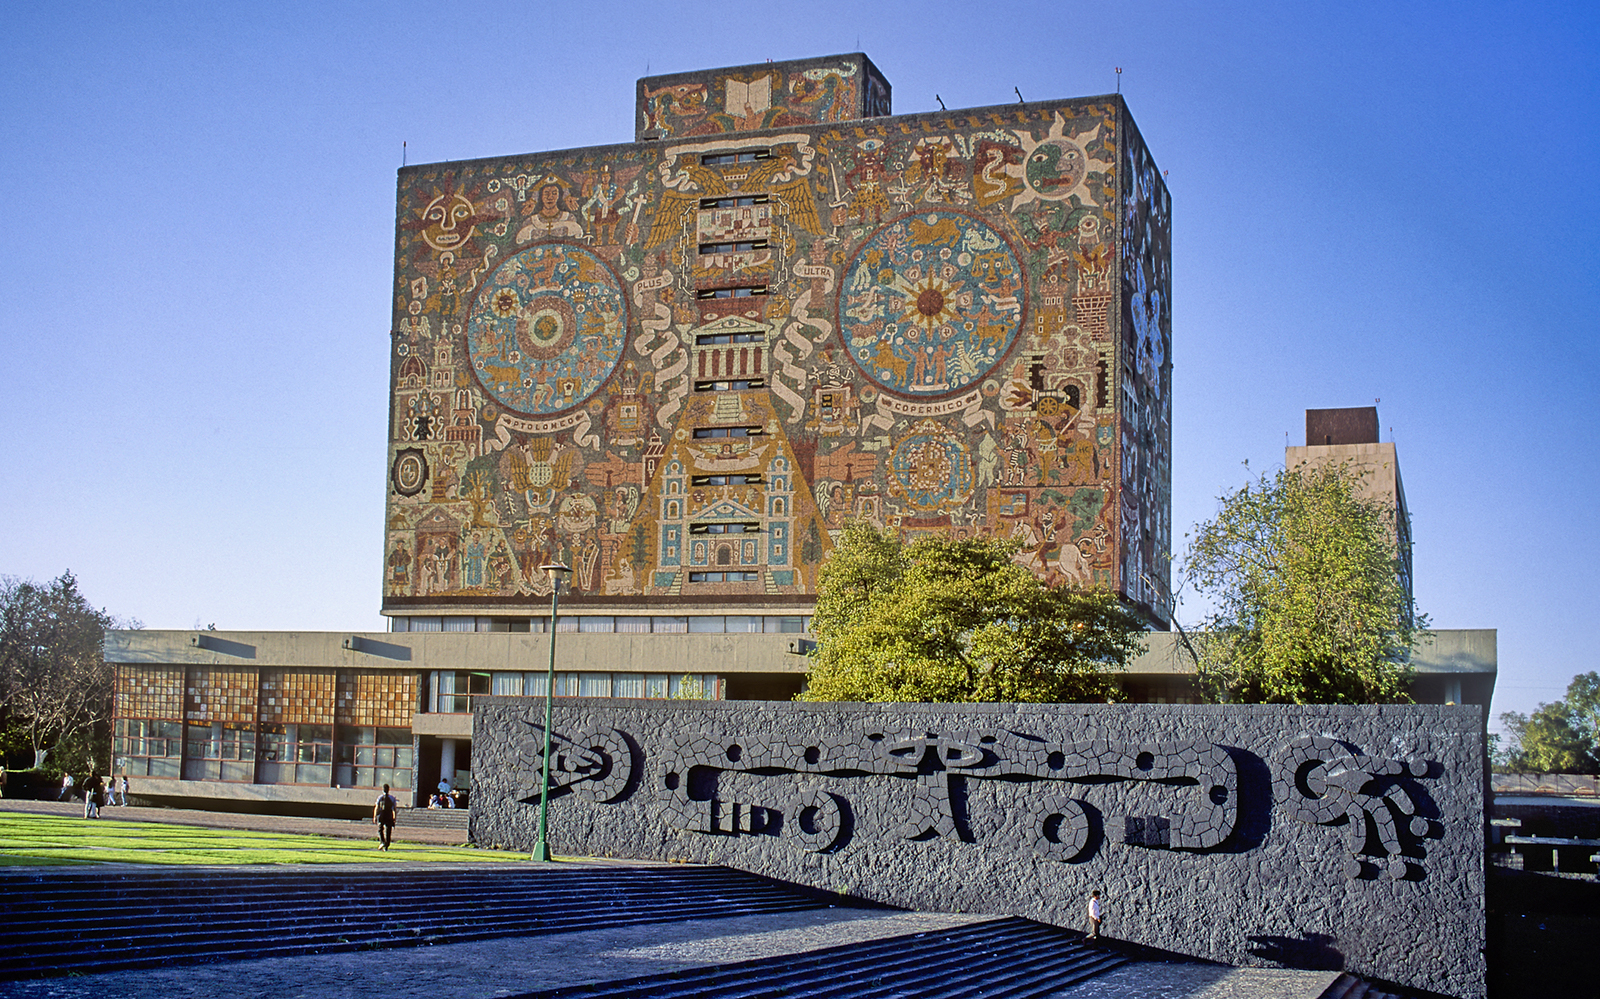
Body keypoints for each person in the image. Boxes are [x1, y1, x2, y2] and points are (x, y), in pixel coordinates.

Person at [373, 783, 398, 851]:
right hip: (389, 814)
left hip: (382, 814)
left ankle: (382, 842)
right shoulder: (392, 798)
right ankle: (386, 845)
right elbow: (394, 809)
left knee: (380, 829)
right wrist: (394, 818)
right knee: (388, 830)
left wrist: (374, 816)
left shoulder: (380, 797)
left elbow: (377, 807)